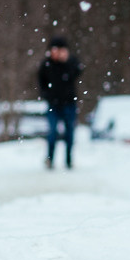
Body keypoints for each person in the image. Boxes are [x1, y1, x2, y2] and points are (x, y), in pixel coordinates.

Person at [37, 35, 83, 169]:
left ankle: (68, 159)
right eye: (54, 50)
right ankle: (50, 159)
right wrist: (47, 95)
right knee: (52, 132)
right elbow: (41, 82)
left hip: (69, 103)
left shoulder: (71, 62)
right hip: (53, 104)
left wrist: (66, 62)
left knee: (70, 132)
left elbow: (78, 72)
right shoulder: (46, 65)